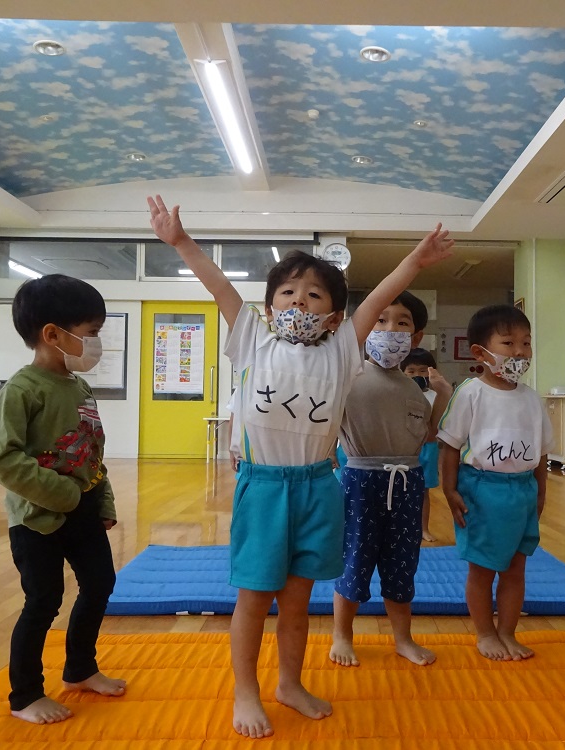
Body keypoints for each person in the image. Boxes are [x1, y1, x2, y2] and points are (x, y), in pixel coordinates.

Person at [147, 195, 453, 738]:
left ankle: (290, 683)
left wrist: (415, 260)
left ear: (333, 316)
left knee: (295, 602)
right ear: (269, 308)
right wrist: (181, 242)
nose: (299, 301)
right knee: (253, 598)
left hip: (318, 486)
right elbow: (220, 287)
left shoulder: (342, 351)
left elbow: (377, 299)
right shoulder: (253, 341)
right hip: (264, 487)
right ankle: (246, 691)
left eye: (313, 295)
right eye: (287, 292)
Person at [0, 274, 125, 725]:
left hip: (83, 511)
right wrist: (62, 493)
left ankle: (80, 669)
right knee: (44, 600)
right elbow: (2, 458)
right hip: (37, 519)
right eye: (91, 333)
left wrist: (102, 502)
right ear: (52, 334)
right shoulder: (22, 390)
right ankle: (25, 695)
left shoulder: (79, 388)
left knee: (100, 584)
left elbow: (91, 451)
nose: (97, 343)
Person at [329, 293, 452, 668]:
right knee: (355, 559)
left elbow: (427, 435)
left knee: (402, 564)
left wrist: (443, 395)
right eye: (380, 320)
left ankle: (403, 639)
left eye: (402, 323)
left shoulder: (413, 388)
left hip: (407, 482)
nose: (390, 329)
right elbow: (326, 418)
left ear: (416, 337)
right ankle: (342, 635)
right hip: (360, 479)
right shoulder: (348, 376)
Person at [438, 304, 551, 661]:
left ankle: (507, 632)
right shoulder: (471, 392)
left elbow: (541, 454)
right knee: (483, 568)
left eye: (526, 343)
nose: (519, 352)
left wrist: (540, 495)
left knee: (516, 568)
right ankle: (485, 633)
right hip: (482, 490)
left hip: (522, 491)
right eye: (508, 343)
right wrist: (449, 490)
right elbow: (450, 446)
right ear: (480, 352)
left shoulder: (532, 398)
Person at [401, 348, 442, 542]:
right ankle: (402, 527)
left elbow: (438, 425)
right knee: (401, 489)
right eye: (411, 371)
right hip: (405, 449)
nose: (417, 375)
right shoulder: (398, 394)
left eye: (423, 370)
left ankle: (423, 528)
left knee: (423, 491)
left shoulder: (436, 396)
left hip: (428, 449)